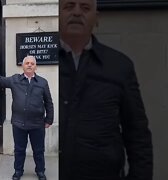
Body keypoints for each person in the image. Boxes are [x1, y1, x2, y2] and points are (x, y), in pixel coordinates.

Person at [59, 0, 153, 180]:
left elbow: (138, 136)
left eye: (85, 8)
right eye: (69, 6)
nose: (77, 12)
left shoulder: (119, 67)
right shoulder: (37, 65)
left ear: (96, 18)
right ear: (58, 15)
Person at [0, 55, 54, 180]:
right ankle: (18, 171)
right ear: (23, 66)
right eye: (27, 63)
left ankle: (40, 171)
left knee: (39, 150)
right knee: (19, 150)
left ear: (35, 67)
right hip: (19, 123)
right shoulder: (15, 80)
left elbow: (48, 102)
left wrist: (49, 119)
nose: (29, 65)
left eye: (32, 63)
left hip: (37, 124)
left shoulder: (43, 82)